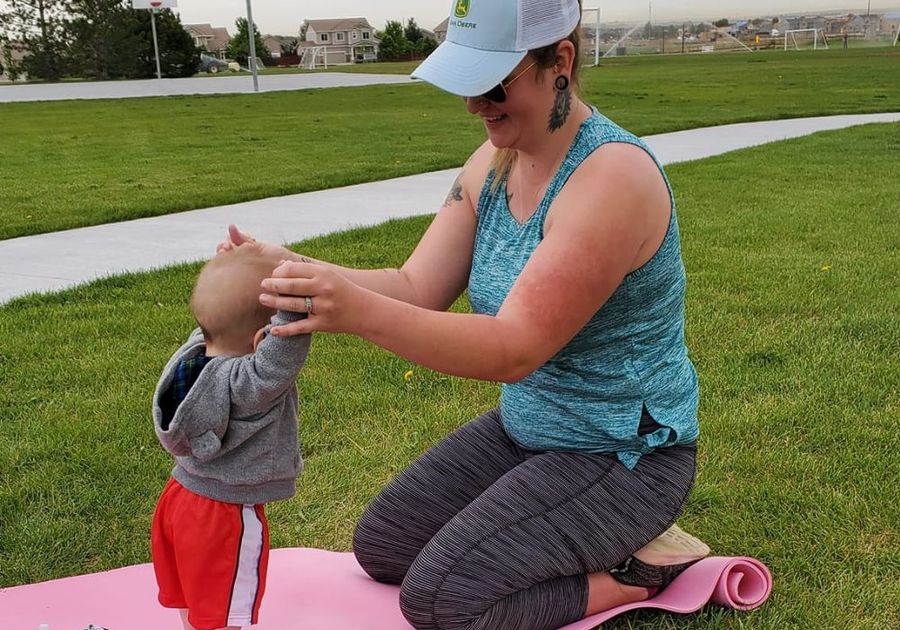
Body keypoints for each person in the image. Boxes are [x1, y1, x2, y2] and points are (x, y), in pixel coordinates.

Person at [221, 0, 709, 627]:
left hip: (621, 456)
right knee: (385, 545)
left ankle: (630, 573)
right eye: (466, 84)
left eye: (493, 84)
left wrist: (354, 311)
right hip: (529, 431)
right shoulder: (492, 161)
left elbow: (514, 349)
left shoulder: (611, 179)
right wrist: (285, 266)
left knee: (440, 599)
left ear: (560, 61)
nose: (475, 105)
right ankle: (574, 537)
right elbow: (415, 284)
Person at [150, 243, 311, 630]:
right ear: (262, 340)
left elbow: (221, 314)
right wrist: (298, 285)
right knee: (223, 616)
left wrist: (234, 268)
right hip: (223, 516)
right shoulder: (250, 383)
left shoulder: (189, 360)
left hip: (178, 500)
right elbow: (287, 345)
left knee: (196, 601)